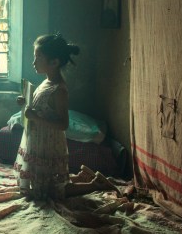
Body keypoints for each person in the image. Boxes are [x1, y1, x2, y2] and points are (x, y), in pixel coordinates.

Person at [13, 33, 118, 201]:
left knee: (54, 192)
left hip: (49, 144)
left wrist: (35, 117)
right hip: (38, 141)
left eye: (38, 58)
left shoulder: (59, 90)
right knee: (40, 183)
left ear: (54, 62)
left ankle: (96, 184)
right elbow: (42, 108)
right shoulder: (45, 82)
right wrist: (25, 102)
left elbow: (63, 124)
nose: (33, 62)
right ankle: (83, 177)